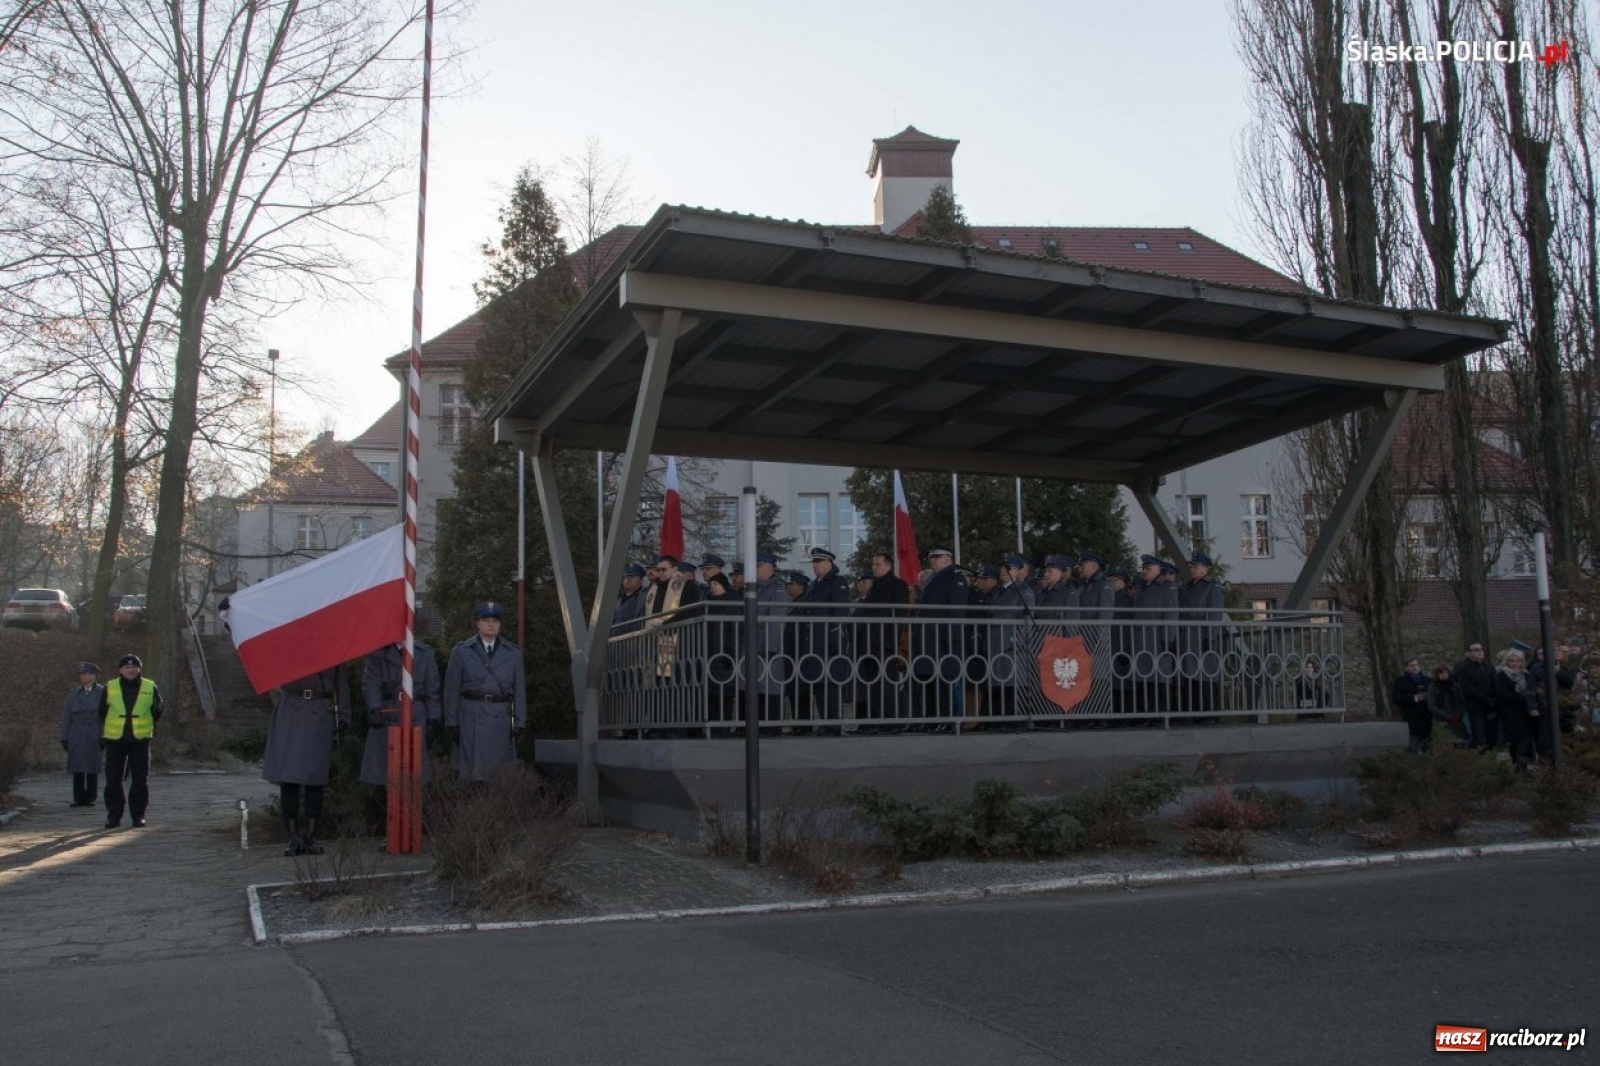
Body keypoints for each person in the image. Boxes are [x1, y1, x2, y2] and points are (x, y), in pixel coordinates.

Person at [263, 663, 349, 855]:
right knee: (289, 779)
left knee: (315, 779)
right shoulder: (287, 640)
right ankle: (292, 837)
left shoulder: (334, 645)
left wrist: (343, 714)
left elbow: (341, 684)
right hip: (291, 710)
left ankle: (311, 835)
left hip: (319, 712)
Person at [443, 602, 527, 781]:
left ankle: (493, 805)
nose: (491, 624)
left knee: (498, 776)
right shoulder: (461, 651)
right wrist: (452, 721)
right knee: (471, 776)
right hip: (471, 718)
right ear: (477, 623)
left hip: (500, 718)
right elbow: (452, 689)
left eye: (495, 621)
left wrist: (520, 721)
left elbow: (519, 690)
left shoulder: (512, 653)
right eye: (486, 620)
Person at [360, 642, 443, 797]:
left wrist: (434, 718)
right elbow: (371, 683)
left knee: (415, 778)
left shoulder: (425, 654)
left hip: (415, 717)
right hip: (387, 717)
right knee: (384, 780)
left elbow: (432, 691)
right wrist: (374, 708)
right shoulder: (378, 654)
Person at [99, 653, 163, 829]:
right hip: (115, 740)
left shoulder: (150, 686)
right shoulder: (110, 687)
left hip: (140, 740)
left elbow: (158, 709)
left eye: (134, 667)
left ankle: (138, 816)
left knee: (140, 780)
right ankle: (114, 816)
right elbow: (102, 711)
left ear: (139, 669)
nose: (131, 670)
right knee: (113, 780)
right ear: (121, 670)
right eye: (127, 667)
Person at [59, 662, 103, 807]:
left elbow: (107, 716)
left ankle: (90, 797)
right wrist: (64, 736)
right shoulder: (73, 693)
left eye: (85, 674)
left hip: (95, 731)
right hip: (76, 732)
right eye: (81, 674)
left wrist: (105, 735)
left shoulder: (103, 692)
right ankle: (78, 798)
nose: (82, 677)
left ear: (93, 676)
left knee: (92, 765)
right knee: (77, 766)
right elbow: (67, 717)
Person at [1492, 647, 1537, 772]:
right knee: (1517, 738)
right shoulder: (1502, 675)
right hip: (1510, 712)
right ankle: (1518, 762)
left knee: (1527, 737)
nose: (1515, 663)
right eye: (1512, 661)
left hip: (1525, 712)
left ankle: (1522, 763)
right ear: (1507, 661)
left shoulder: (1526, 674)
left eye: (1517, 661)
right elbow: (1502, 694)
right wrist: (1523, 697)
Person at [1452, 641, 1496, 752]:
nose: (1480, 652)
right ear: (1468, 653)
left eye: (1481, 649)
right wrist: (1485, 699)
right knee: (1478, 732)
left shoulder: (1488, 666)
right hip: (1475, 706)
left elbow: (1494, 683)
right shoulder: (1464, 668)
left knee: (1491, 733)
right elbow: (1468, 689)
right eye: (1476, 650)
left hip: (1491, 705)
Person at [1392, 657, 1431, 753]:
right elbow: (1396, 698)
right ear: (1406, 668)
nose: (1414, 667)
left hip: (1427, 716)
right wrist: (1415, 698)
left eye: (1416, 665)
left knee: (1428, 747)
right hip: (1411, 717)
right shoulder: (1400, 681)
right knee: (1413, 746)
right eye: (1411, 665)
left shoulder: (1427, 680)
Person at [1427, 664, 1466, 746]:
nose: (1444, 675)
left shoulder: (1455, 686)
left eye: (1446, 673)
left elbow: (1462, 702)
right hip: (1441, 719)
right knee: (1444, 744)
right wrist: (1447, 716)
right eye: (1441, 674)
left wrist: (1458, 715)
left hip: (1457, 720)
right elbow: (1431, 706)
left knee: (1460, 743)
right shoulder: (1433, 688)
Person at [611, 563, 648, 630]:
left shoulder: (644, 596)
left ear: (641, 581)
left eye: (632, 577)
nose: (628, 579)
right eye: (626, 576)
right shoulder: (618, 600)